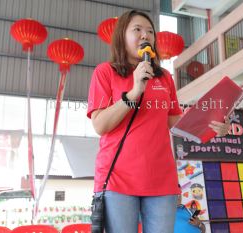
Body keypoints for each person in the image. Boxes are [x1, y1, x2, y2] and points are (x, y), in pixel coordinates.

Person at [87, 10, 230, 233]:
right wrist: (134, 92)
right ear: (121, 36)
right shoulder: (105, 72)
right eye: (137, 30)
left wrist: (213, 126)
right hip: (117, 179)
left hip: (162, 179)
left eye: (150, 32)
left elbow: (178, 124)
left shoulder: (164, 77)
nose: (146, 36)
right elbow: (100, 125)